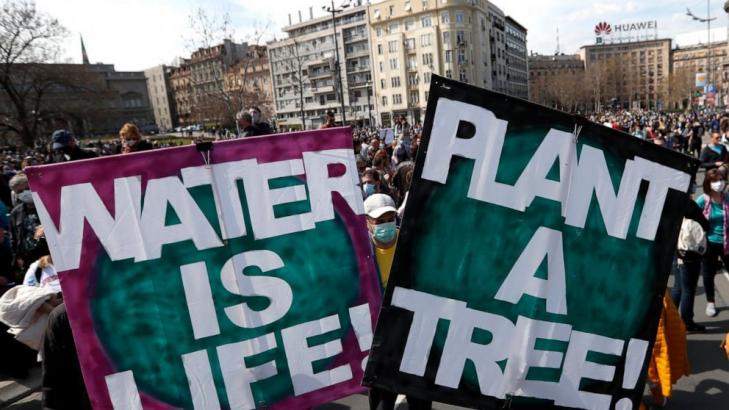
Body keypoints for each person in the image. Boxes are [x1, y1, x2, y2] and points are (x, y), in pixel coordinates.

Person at [364, 194, 432, 410]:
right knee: (383, 402)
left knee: (420, 400)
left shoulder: (411, 242)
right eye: (379, 221)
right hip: (380, 340)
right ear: (367, 222)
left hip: (413, 336)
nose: (386, 224)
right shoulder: (362, 253)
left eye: (390, 218)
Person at [670, 195, 710, 331]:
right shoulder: (690, 205)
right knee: (688, 290)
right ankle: (687, 322)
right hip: (690, 255)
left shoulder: (671, 202)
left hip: (676, 251)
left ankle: (670, 320)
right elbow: (705, 225)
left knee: (678, 287)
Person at [696, 168, 729, 318]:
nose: (719, 183)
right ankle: (710, 302)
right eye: (715, 181)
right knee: (709, 274)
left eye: (721, 180)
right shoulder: (703, 199)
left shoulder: (727, 198)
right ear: (708, 183)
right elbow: (692, 217)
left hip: (726, 242)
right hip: (709, 243)